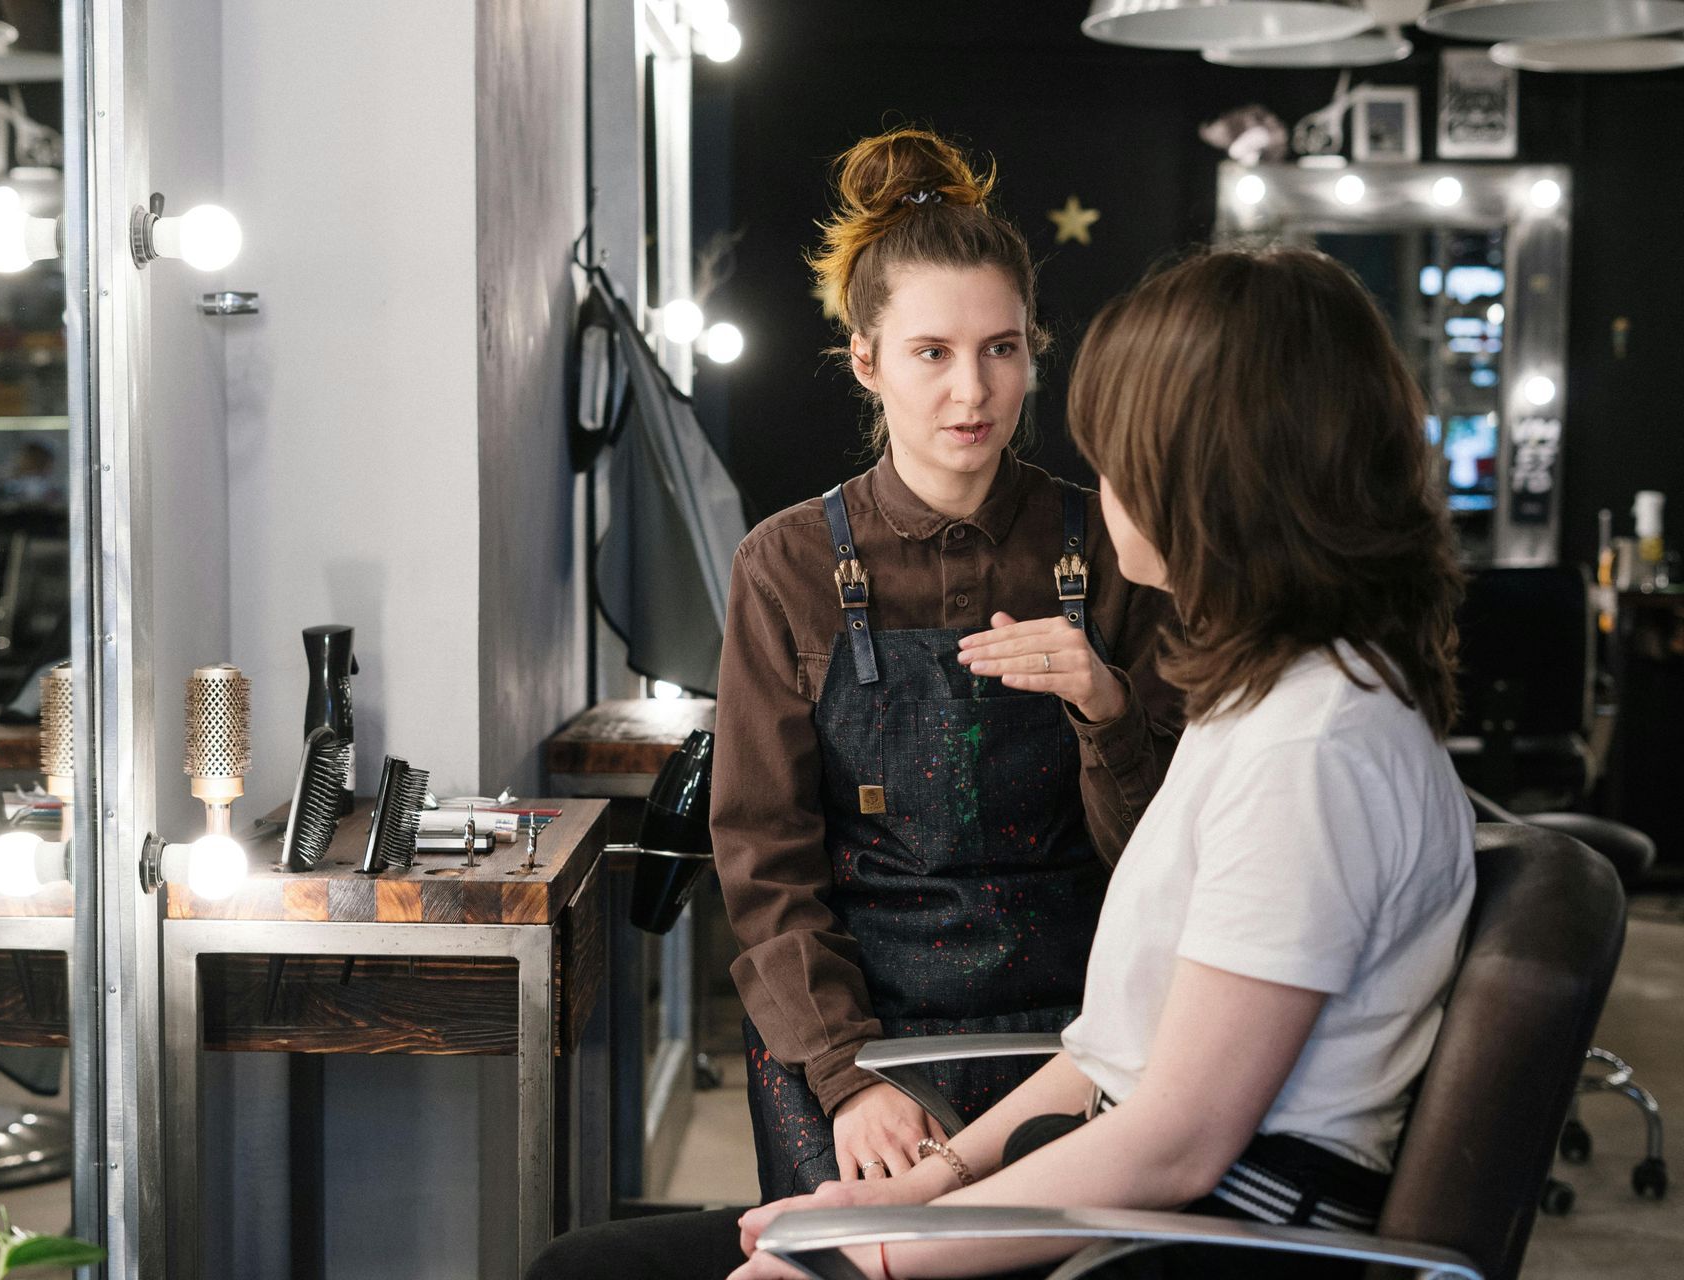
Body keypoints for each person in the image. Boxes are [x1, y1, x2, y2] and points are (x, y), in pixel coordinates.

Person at [527, 245, 1473, 1280]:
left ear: (1212, 480)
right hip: (1103, 1165)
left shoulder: (1314, 748)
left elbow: (1176, 1141)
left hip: (1186, 1232)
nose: (1097, 489)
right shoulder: (1266, 704)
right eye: (932, 350)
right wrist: (923, 1187)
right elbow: (1117, 1053)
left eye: (1120, 460)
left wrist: (867, 1257)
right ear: (868, 361)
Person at [713, 125, 1182, 1204]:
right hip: (855, 1028)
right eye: (932, 352)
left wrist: (1107, 707)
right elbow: (764, 858)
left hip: (1083, 1024)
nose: (973, 390)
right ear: (866, 359)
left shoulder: (1117, 548)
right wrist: (843, 1073)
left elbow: (1169, 856)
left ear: (1034, 349)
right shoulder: (783, 565)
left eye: (1002, 348)